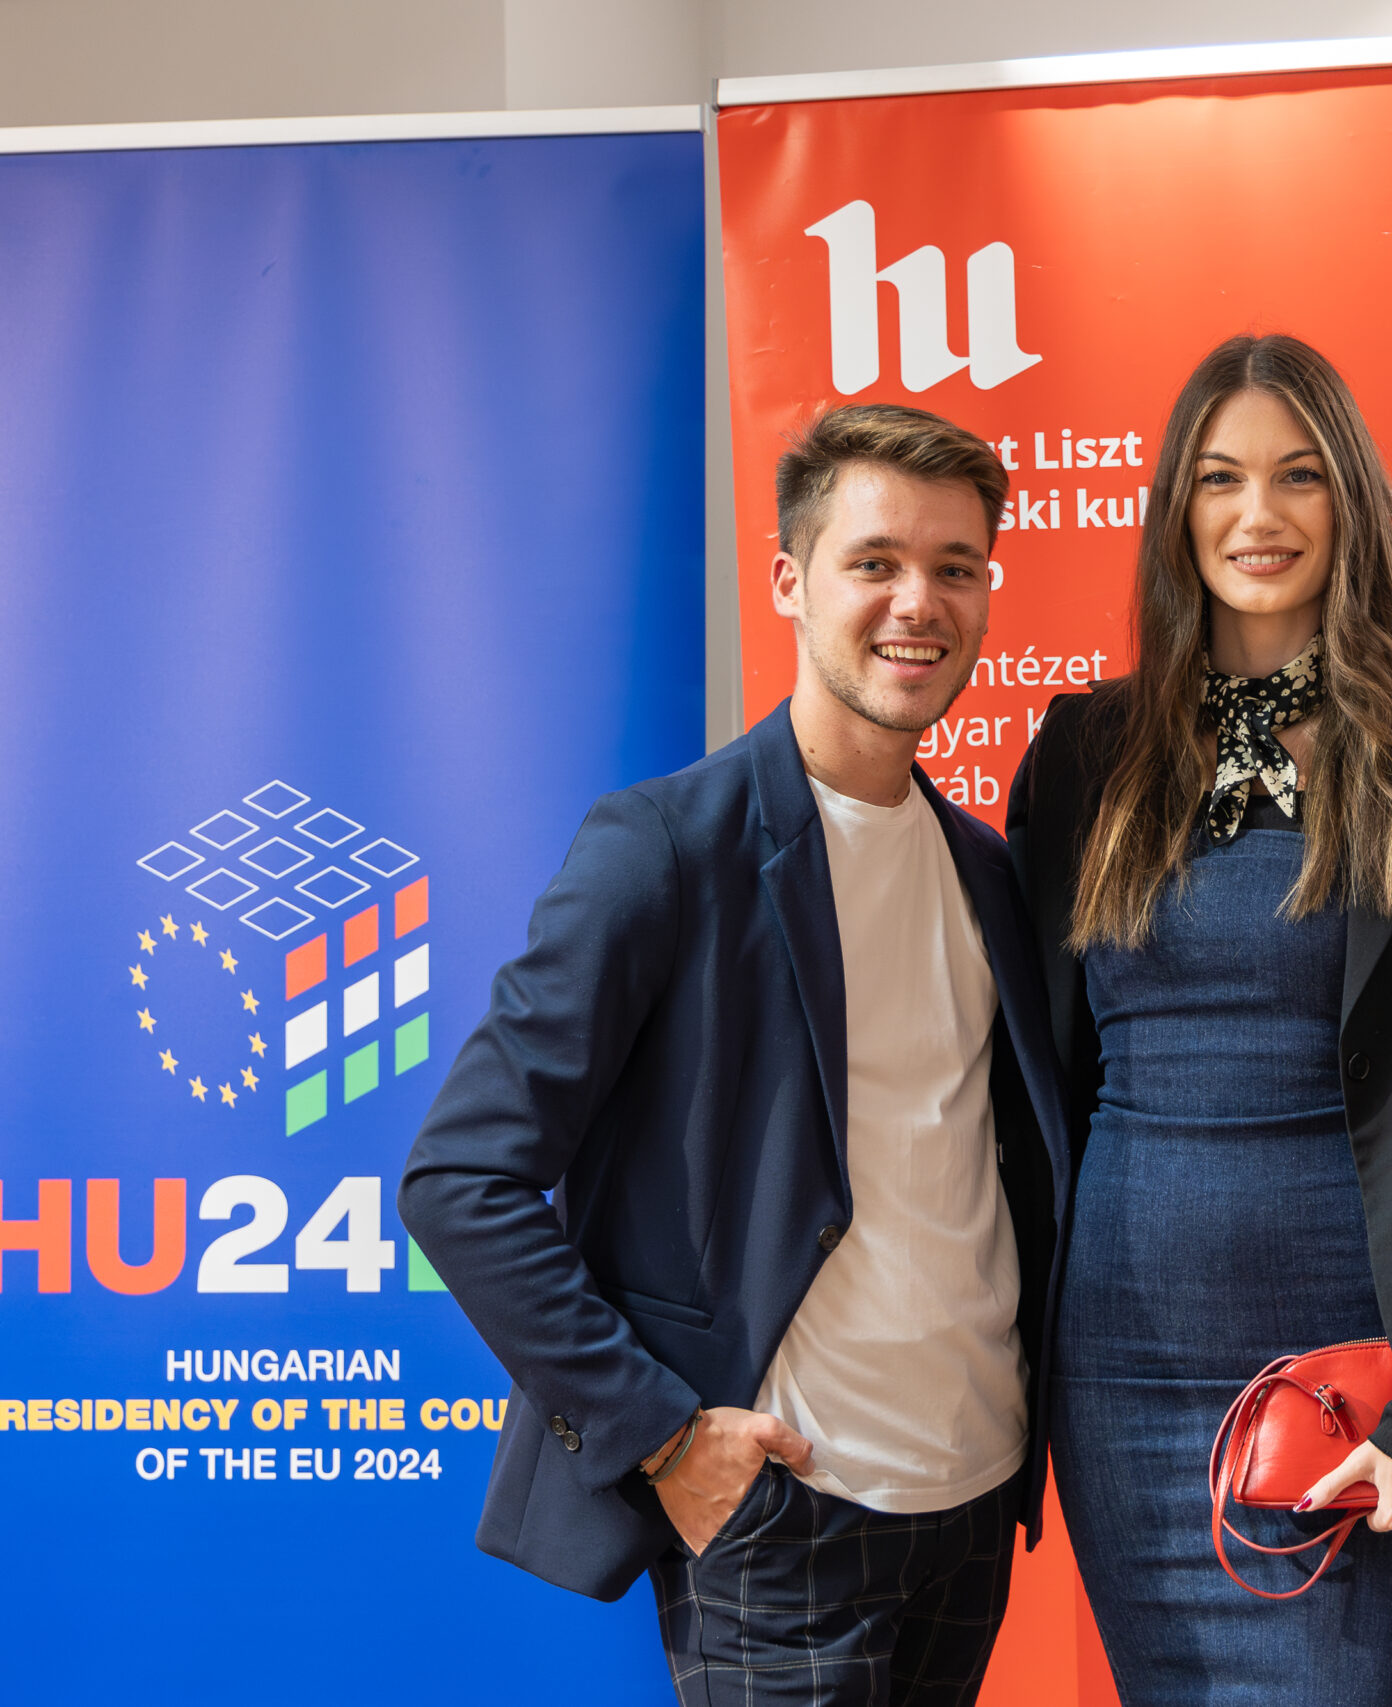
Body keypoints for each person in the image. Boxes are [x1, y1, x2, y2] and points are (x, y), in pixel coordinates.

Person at [398, 404, 1069, 1707]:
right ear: (788, 581)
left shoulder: (989, 870)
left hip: (973, 1500)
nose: (918, 602)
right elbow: (459, 1179)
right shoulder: (667, 847)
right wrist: (660, 1437)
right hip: (781, 1513)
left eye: (955, 566)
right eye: (874, 562)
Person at [1007, 333, 1392, 1703]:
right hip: (1124, 1371)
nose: (1256, 515)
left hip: (1361, 1369)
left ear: (1354, 502)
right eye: (1219, 479)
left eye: (1298, 476)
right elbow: (1035, 1086)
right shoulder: (1086, 753)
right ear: (1176, 508)